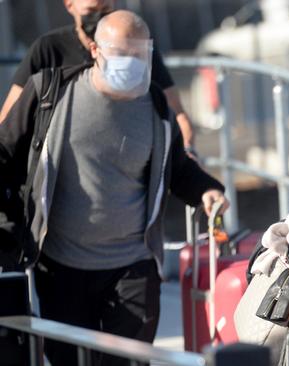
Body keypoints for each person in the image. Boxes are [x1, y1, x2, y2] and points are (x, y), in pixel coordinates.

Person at [0, 10, 228, 366]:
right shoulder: (50, 93)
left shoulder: (156, 107)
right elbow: (6, 150)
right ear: (95, 50)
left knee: (130, 361)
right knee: (69, 359)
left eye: (140, 55)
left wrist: (206, 190)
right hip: (61, 266)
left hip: (132, 265)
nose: (132, 64)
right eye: (121, 54)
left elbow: (177, 167)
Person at [0, 0, 196, 155]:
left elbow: (176, 113)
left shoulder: (136, 51)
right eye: (92, 9)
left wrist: (187, 152)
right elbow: (10, 119)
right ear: (70, 4)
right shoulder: (48, 50)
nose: (99, 17)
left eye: (106, 8)